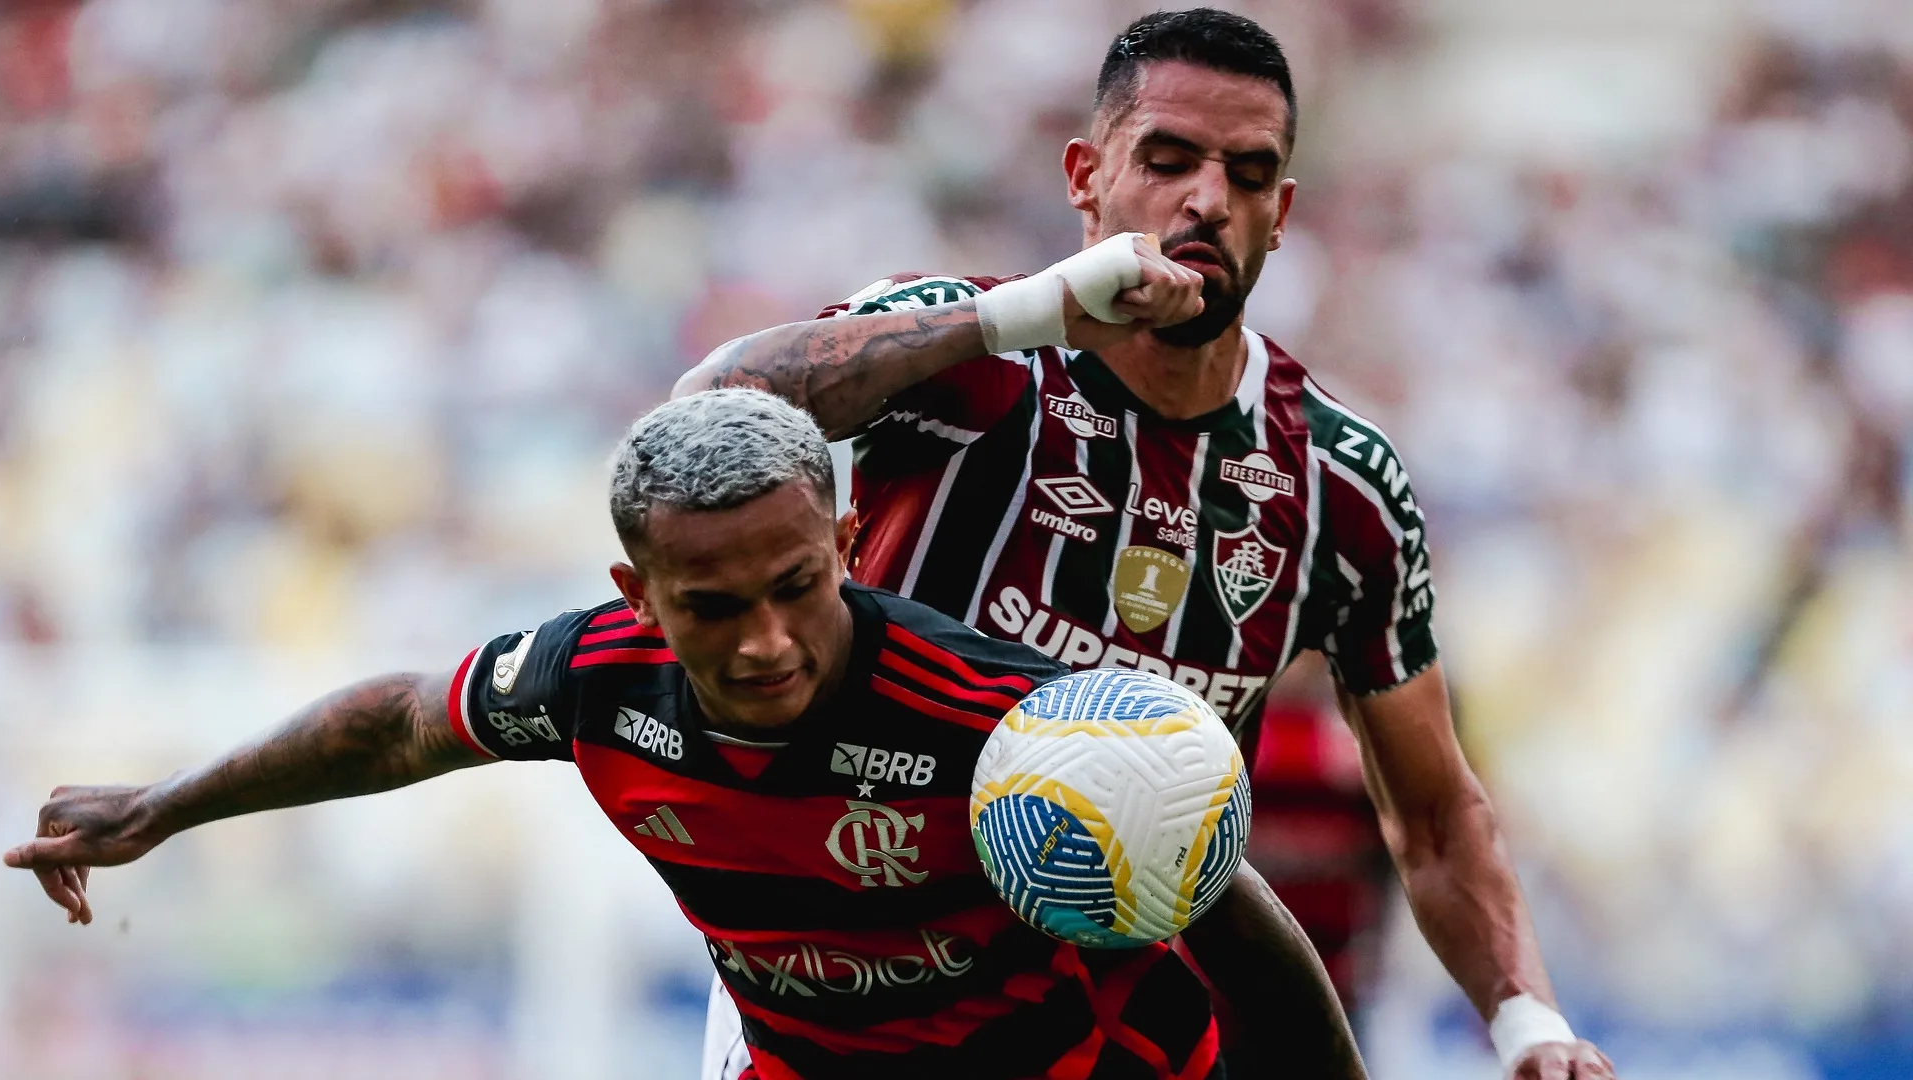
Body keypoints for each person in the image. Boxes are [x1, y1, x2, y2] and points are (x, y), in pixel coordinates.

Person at [676, 9, 1615, 1080]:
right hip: (852, 993)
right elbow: (707, 409)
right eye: (1166, 161)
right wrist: (1017, 317)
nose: (1206, 200)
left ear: (1282, 211)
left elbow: (1438, 813)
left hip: (1116, 1027)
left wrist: (1526, 1022)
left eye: (1248, 174)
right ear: (1086, 175)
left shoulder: (1339, 484)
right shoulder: (969, 350)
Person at [6, 390, 1363, 1080]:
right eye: (714, 607)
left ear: (843, 544)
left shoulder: (1005, 719)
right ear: (636, 595)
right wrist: (165, 808)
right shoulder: (595, 680)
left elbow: (1228, 912)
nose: (767, 640)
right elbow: (397, 725)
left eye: (797, 588)